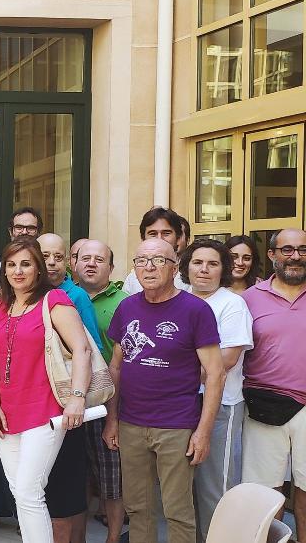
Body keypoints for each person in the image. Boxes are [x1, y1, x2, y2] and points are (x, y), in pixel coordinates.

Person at [103, 237, 225, 543]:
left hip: (176, 425)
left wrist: (203, 432)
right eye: (141, 260)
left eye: (158, 260)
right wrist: (112, 419)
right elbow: (116, 366)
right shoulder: (127, 307)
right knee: (138, 507)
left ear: (174, 268)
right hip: (131, 423)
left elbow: (215, 373)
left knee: (177, 510)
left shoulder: (195, 310)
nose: (149, 267)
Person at [0, 238, 91, 543]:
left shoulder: (54, 300)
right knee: (21, 491)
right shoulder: (0, 308)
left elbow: (82, 350)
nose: (18, 271)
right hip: (7, 411)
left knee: (30, 491)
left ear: (38, 269)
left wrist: (77, 399)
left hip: (45, 410)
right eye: (12, 264)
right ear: (4, 270)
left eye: (26, 264)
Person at [180, 238, 252, 538]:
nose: (204, 270)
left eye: (213, 264)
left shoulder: (232, 304)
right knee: (183, 491)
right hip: (180, 405)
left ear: (223, 270)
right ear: (186, 267)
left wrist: (173, 371)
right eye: (197, 262)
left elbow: (227, 359)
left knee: (215, 490)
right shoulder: (179, 297)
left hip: (221, 407)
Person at [238, 228, 306, 527]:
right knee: (266, 492)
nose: (296, 257)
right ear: (272, 255)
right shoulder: (249, 298)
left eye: (303, 250)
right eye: (287, 250)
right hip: (264, 404)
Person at [36, 233, 100, 543]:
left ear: (69, 262)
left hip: (67, 403)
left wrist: (77, 396)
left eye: (58, 257)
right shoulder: (26, 294)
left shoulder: (75, 297)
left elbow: (91, 349)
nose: (51, 262)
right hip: (35, 404)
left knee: (69, 481)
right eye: (44, 255)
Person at [71, 239, 127, 543]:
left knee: (110, 475)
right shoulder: (62, 296)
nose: (91, 264)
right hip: (70, 396)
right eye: (85, 258)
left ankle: (113, 537)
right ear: (75, 263)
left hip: (109, 397)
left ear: (111, 267)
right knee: (76, 471)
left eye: (99, 259)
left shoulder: (126, 302)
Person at [121, 207, 191, 295]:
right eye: (153, 234)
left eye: (166, 233)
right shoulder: (132, 279)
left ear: (178, 238)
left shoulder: (193, 275)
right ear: (143, 238)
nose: (159, 239)